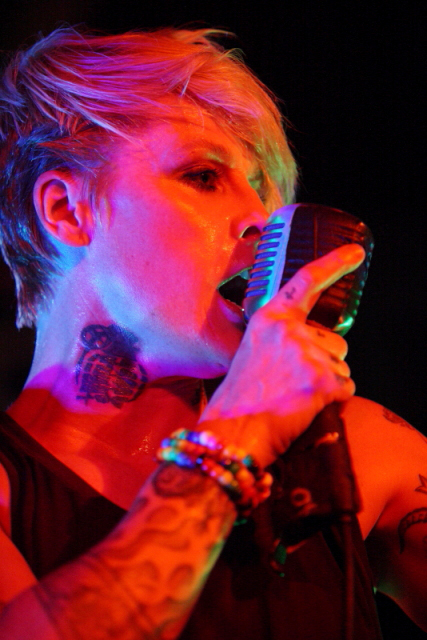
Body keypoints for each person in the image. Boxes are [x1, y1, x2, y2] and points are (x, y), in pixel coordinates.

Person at [0, 26, 425, 640]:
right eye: (203, 176)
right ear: (67, 210)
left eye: (262, 189)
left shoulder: (356, 449)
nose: (261, 218)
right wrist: (239, 430)